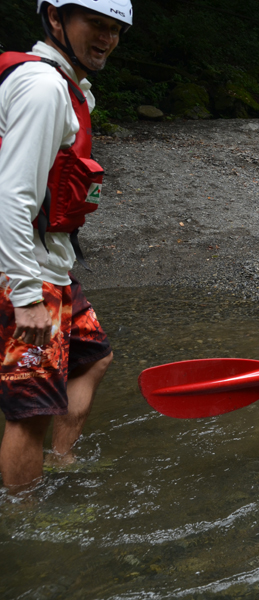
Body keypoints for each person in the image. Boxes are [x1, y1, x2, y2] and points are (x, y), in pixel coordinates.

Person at [0, 0, 129, 491]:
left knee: (93, 357)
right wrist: (27, 297)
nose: (107, 38)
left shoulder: (64, 86)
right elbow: (11, 197)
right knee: (29, 409)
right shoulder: (43, 88)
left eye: (115, 29)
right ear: (55, 19)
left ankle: (61, 459)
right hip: (24, 273)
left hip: (52, 265)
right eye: (95, 24)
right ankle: (28, 523)